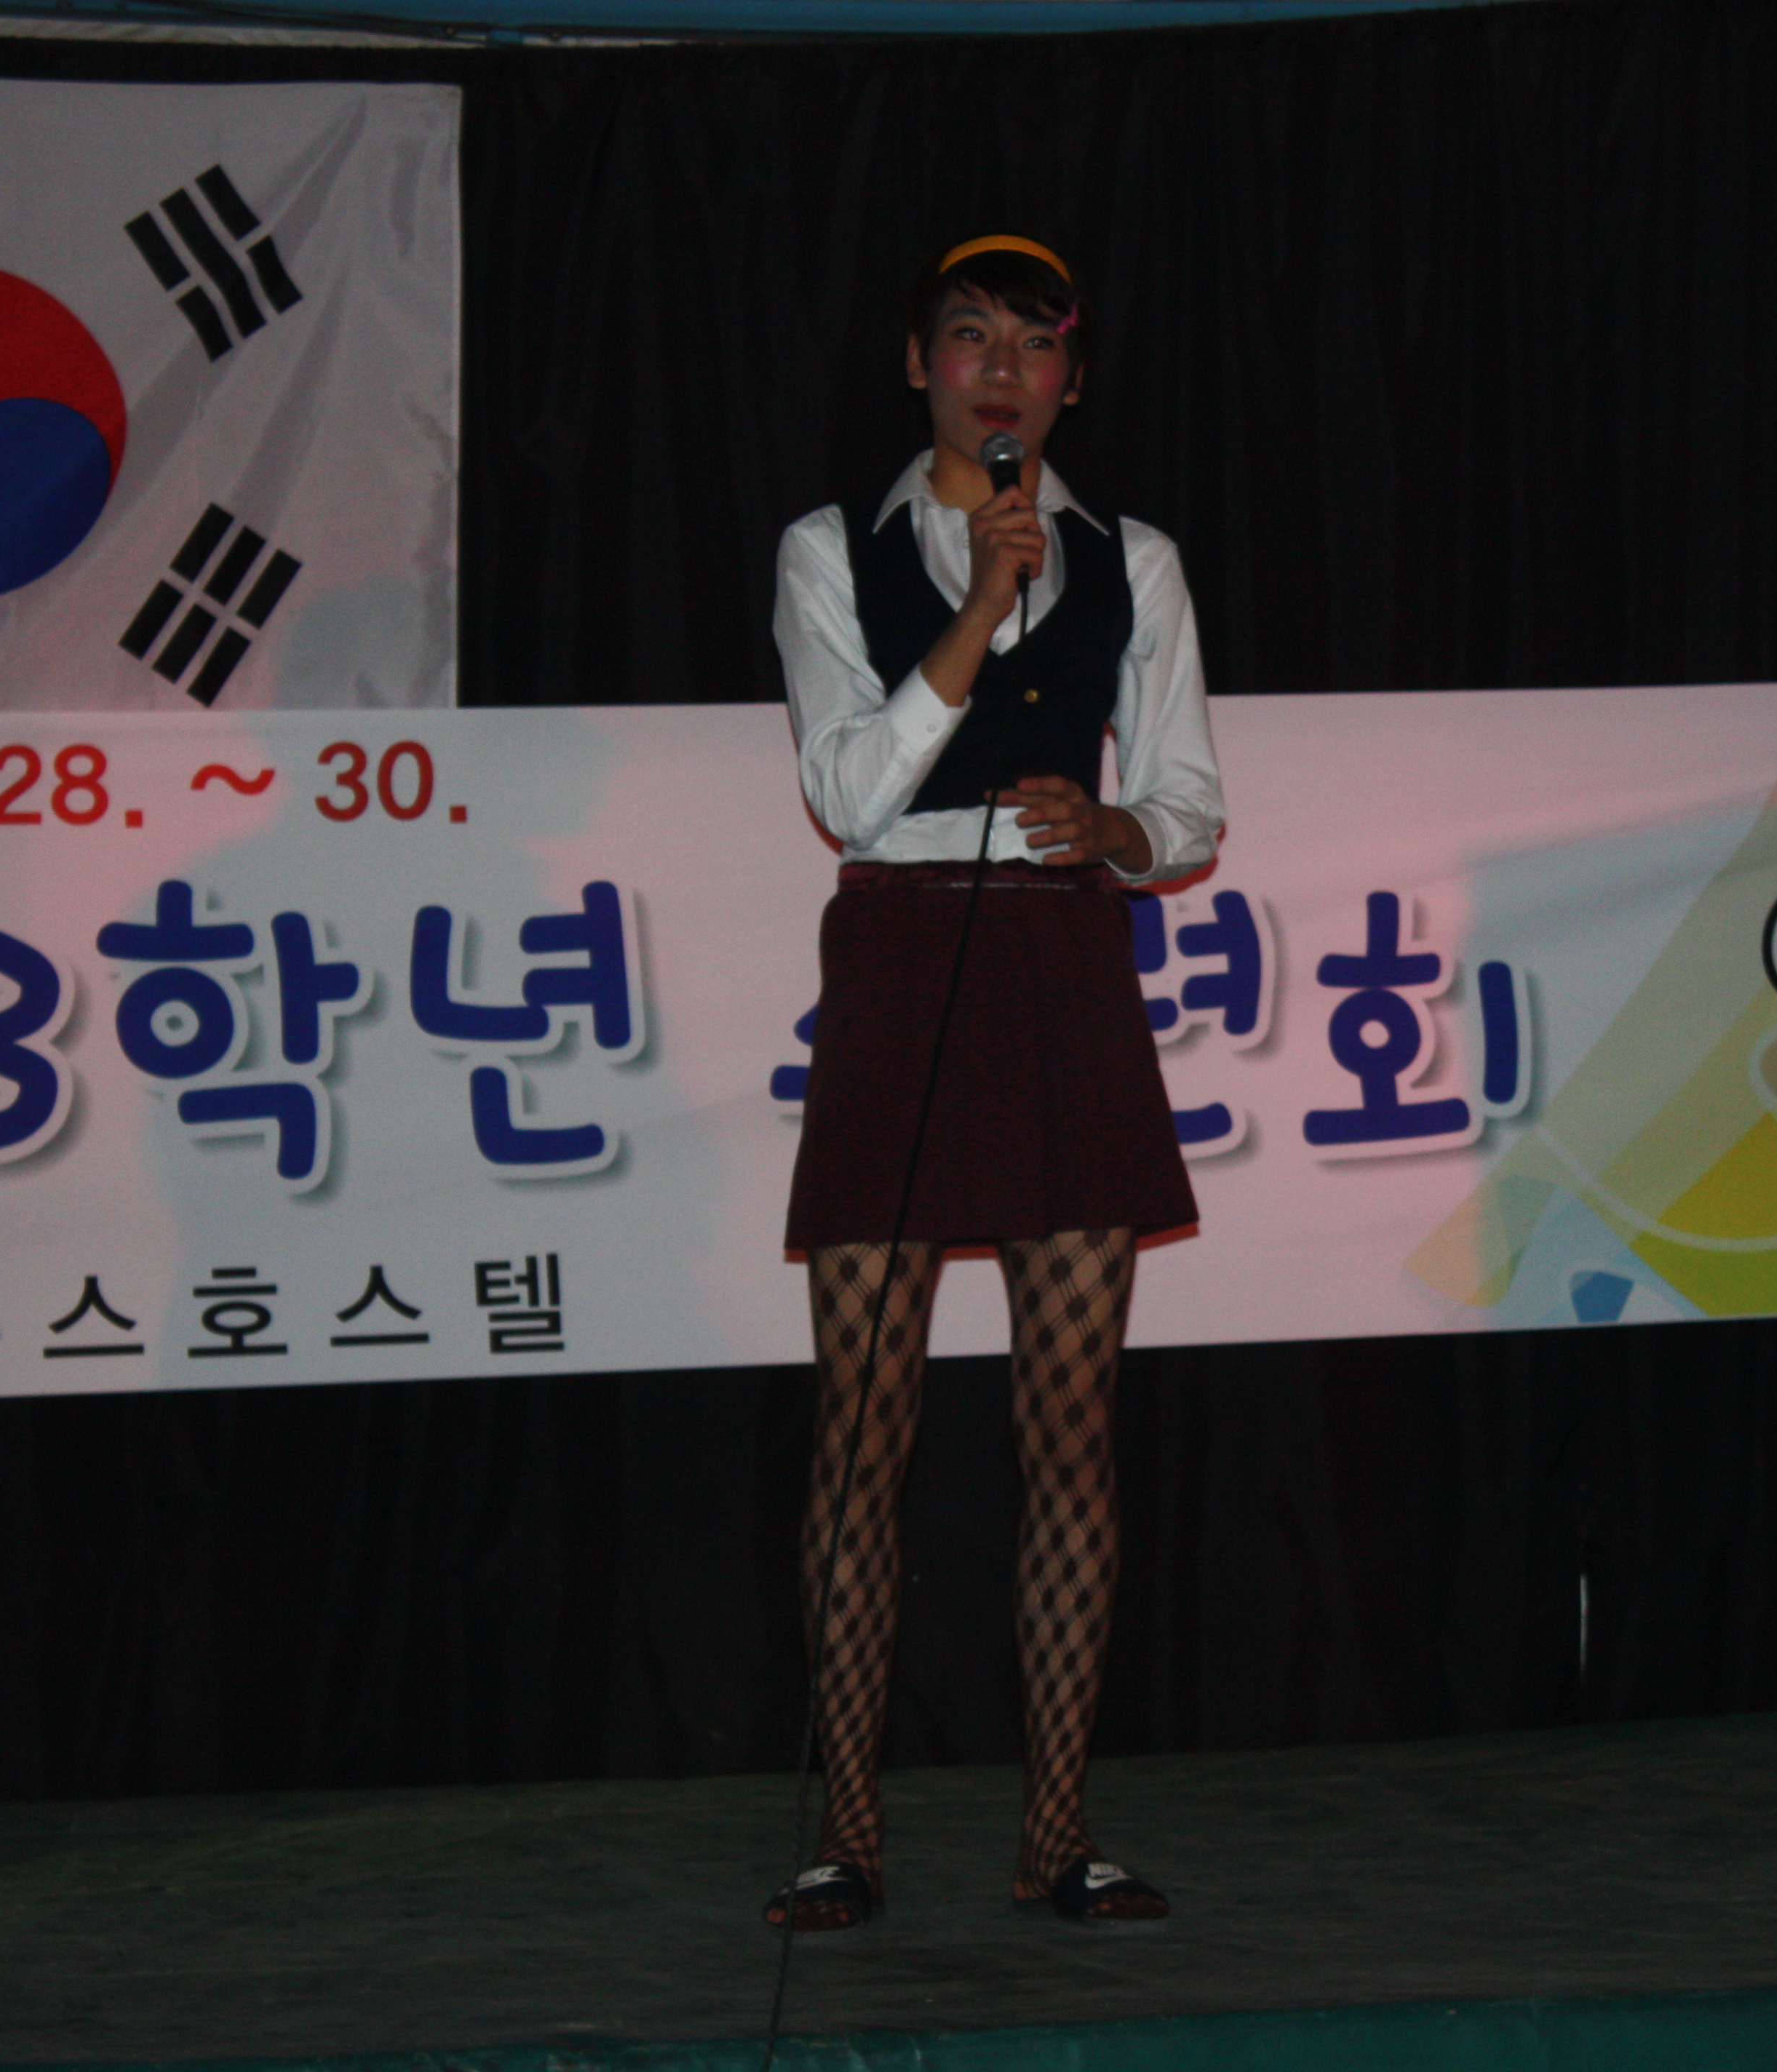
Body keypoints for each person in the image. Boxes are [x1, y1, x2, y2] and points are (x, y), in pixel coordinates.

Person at [765, 234, 1223, 1934]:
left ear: (1071, 381)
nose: (1003, 370)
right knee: (864, 1426)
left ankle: (1056, 1835)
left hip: (1060, 961)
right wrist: (973, 607)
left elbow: (1188, 803)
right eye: (971, 338)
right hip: (899, 959)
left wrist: (1119, 827)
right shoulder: (832, 547)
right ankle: (845, 1832)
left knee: (1071, 1429)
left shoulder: (1135, 558)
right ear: (920, 365)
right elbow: (847, 792)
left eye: (1036, 344)